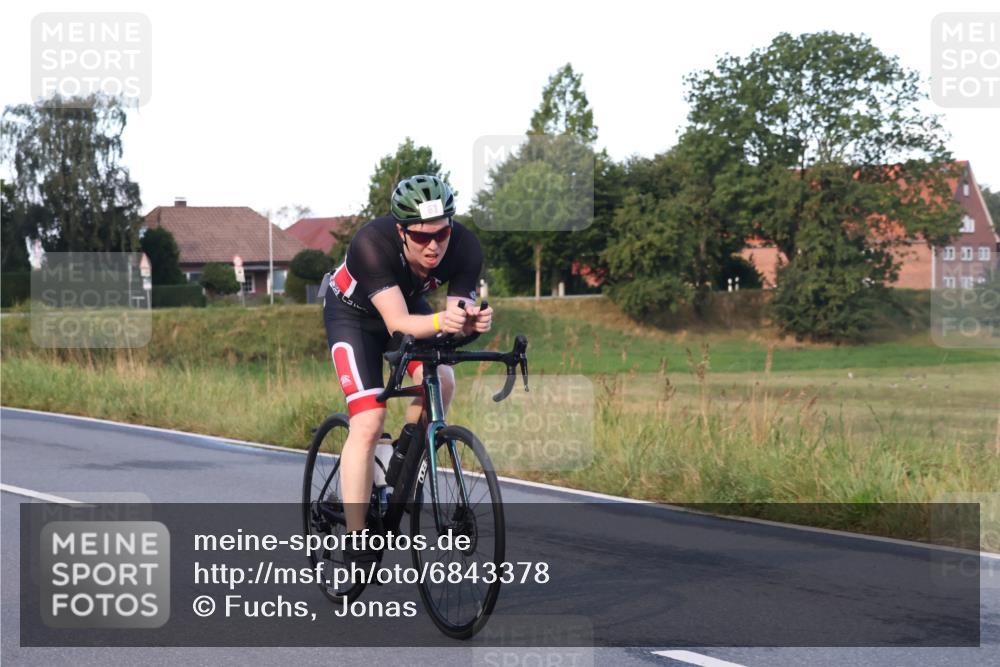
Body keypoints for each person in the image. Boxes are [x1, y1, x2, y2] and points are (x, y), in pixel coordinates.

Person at [322, 174, 492, 560]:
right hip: (354, 317)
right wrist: (442, 323)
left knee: (443, 381)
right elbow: (397, 323)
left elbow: (454, 321)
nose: (433, 245)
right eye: (420, 237)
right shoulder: (371, 243)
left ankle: (400, 459)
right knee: (368, 420)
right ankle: (356, 534)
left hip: (407, 308)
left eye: (442, 233)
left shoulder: (465, 247)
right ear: (401, 232)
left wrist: (472, 323)